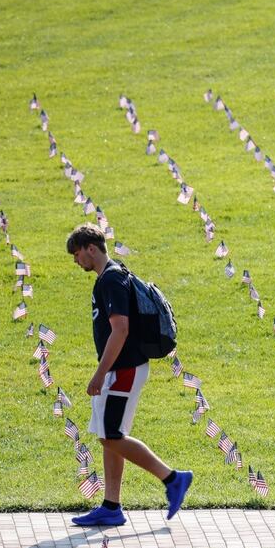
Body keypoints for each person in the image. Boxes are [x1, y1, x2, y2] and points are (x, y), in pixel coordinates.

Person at [66, 224, 191, 527]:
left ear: (91, 249)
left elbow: (120, 330)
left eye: (77, 254)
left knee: (112, 435)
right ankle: (111, 507)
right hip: (121, 369)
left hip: (123, 370)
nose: (75, 261)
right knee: (109, 437)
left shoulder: (110, 280)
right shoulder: (116, 274)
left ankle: (173, 479)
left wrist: (99, 374)